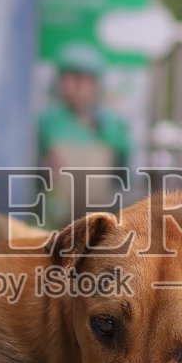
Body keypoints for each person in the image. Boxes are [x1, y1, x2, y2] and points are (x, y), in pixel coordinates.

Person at [37, 42, 130, 225]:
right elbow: (35, 168)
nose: (79, 86)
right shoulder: (48, 121)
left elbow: (124, 174)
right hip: (55, 218)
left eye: (87, 80)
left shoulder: (111, 124)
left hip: (99, 219)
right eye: (73, 78)